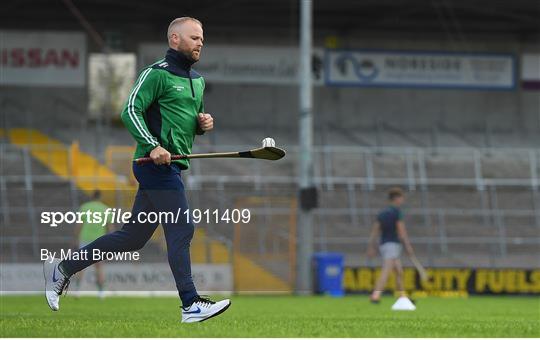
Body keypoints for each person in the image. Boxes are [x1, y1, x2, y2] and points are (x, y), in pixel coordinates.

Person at [43, 17, 231, 323]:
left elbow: (182, 122)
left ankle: (62, 268)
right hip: (152, 166)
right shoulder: (155, 74)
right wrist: (153, 145)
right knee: (182, 228)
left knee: (133, 237)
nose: (200, 43)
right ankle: (190, 303)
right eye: (194, 37)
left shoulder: (197, 81)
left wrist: (201, 125)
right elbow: (130, 109)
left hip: (172, 168)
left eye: (202, 39)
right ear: (174, 39)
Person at [367, 187, 415, 303]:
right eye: (401, 198)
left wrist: (371, 246)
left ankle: (402, 297)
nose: (402, 200)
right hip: (392, 245)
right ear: (396, 198)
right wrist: (408, 246)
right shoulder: (396, 212)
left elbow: (375, 231)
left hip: (384, 245)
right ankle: (375, 295)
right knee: (386, 270)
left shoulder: (382, 213)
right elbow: (401, 231)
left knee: (399, 272)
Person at [72, 190, 112, 299]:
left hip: (85, 240)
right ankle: (101, 293)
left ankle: (78, 291)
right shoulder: (105, 209)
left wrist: (75, 239)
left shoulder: (85, 207)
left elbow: (79, 225)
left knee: (81, 266)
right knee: (99, 267)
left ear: (92, 197)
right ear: (100, 197)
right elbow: (110, 228)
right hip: (100, 240)